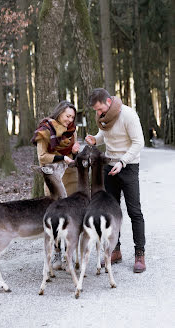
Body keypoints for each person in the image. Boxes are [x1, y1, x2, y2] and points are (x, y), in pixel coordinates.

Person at [85, 88, 146, 273]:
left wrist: (122, 162)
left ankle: (140, 254)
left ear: (108, 102)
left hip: (128, 166)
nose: (97, 113)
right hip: (109, 165)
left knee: (134, 211)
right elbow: (105, 134)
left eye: (98, 109)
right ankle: (115, 250)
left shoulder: (128, 115)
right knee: (111, 211)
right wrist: (95, 139)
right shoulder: (105, 118)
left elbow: (139, 142)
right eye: (95, 110)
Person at [31, 100, 80, 269]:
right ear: (59, 113)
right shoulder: (44, 131)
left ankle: (70, 255)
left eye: (72, 117)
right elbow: (42, 157)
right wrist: (61, 158)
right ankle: (57, 254)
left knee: (72, 216)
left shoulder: (72, 130)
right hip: (54, 178)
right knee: (56, 216)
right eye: (67, 116)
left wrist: (74, 151)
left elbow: (73, 152)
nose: (69, 120)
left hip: (71, 174)